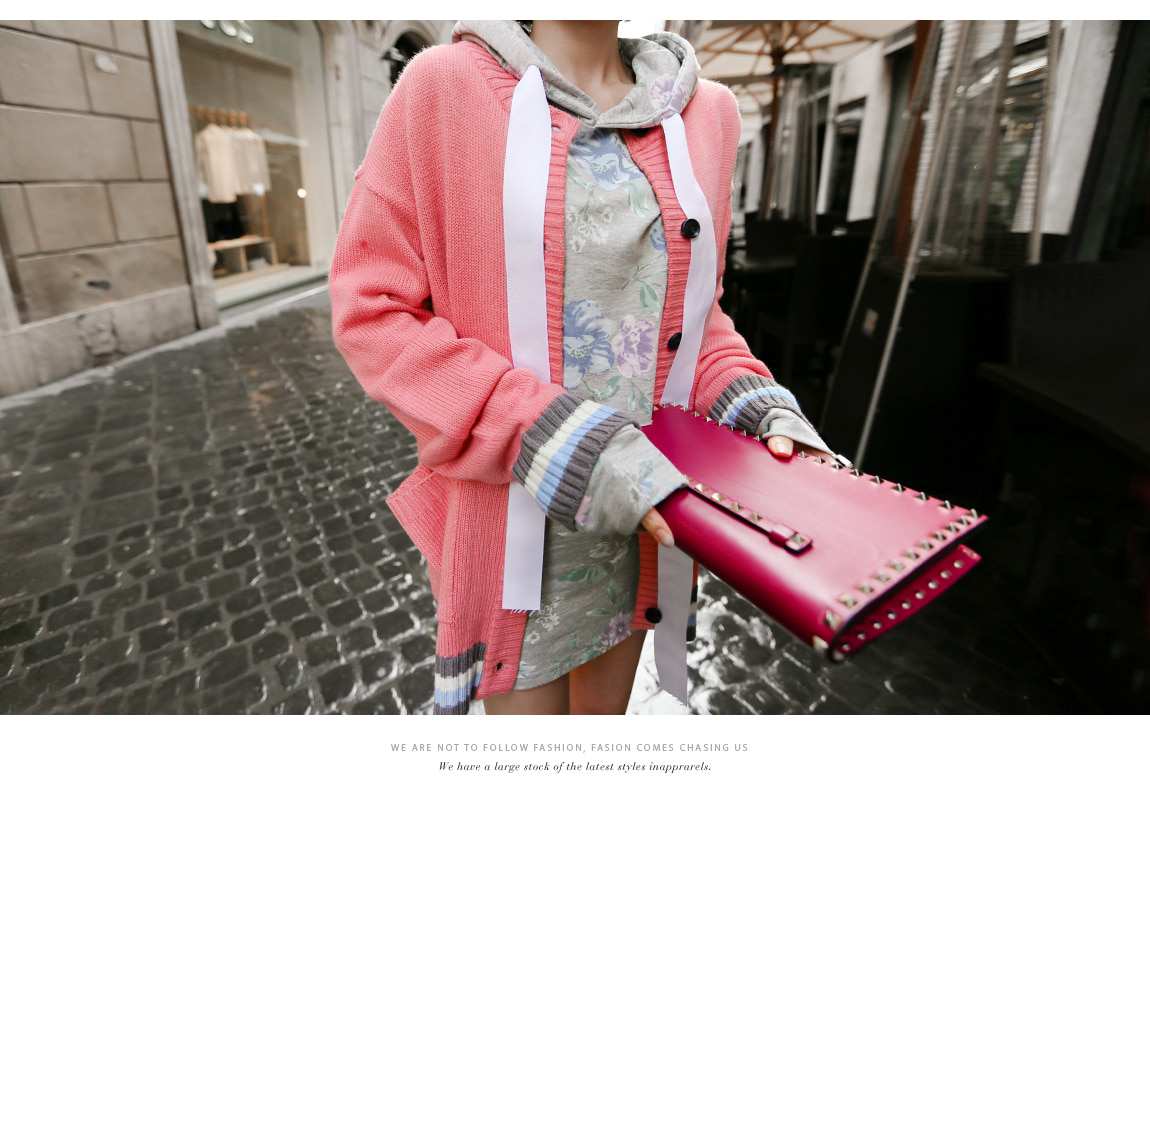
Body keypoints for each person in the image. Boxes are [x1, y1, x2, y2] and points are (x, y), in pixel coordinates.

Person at [330, 20, 832, 716]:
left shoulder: (707, 114)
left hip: (642, 526)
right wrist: (545, 433)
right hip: (511, 533)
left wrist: (755, 403)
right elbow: (372, 310)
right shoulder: (442, 88)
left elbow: (697, 319)